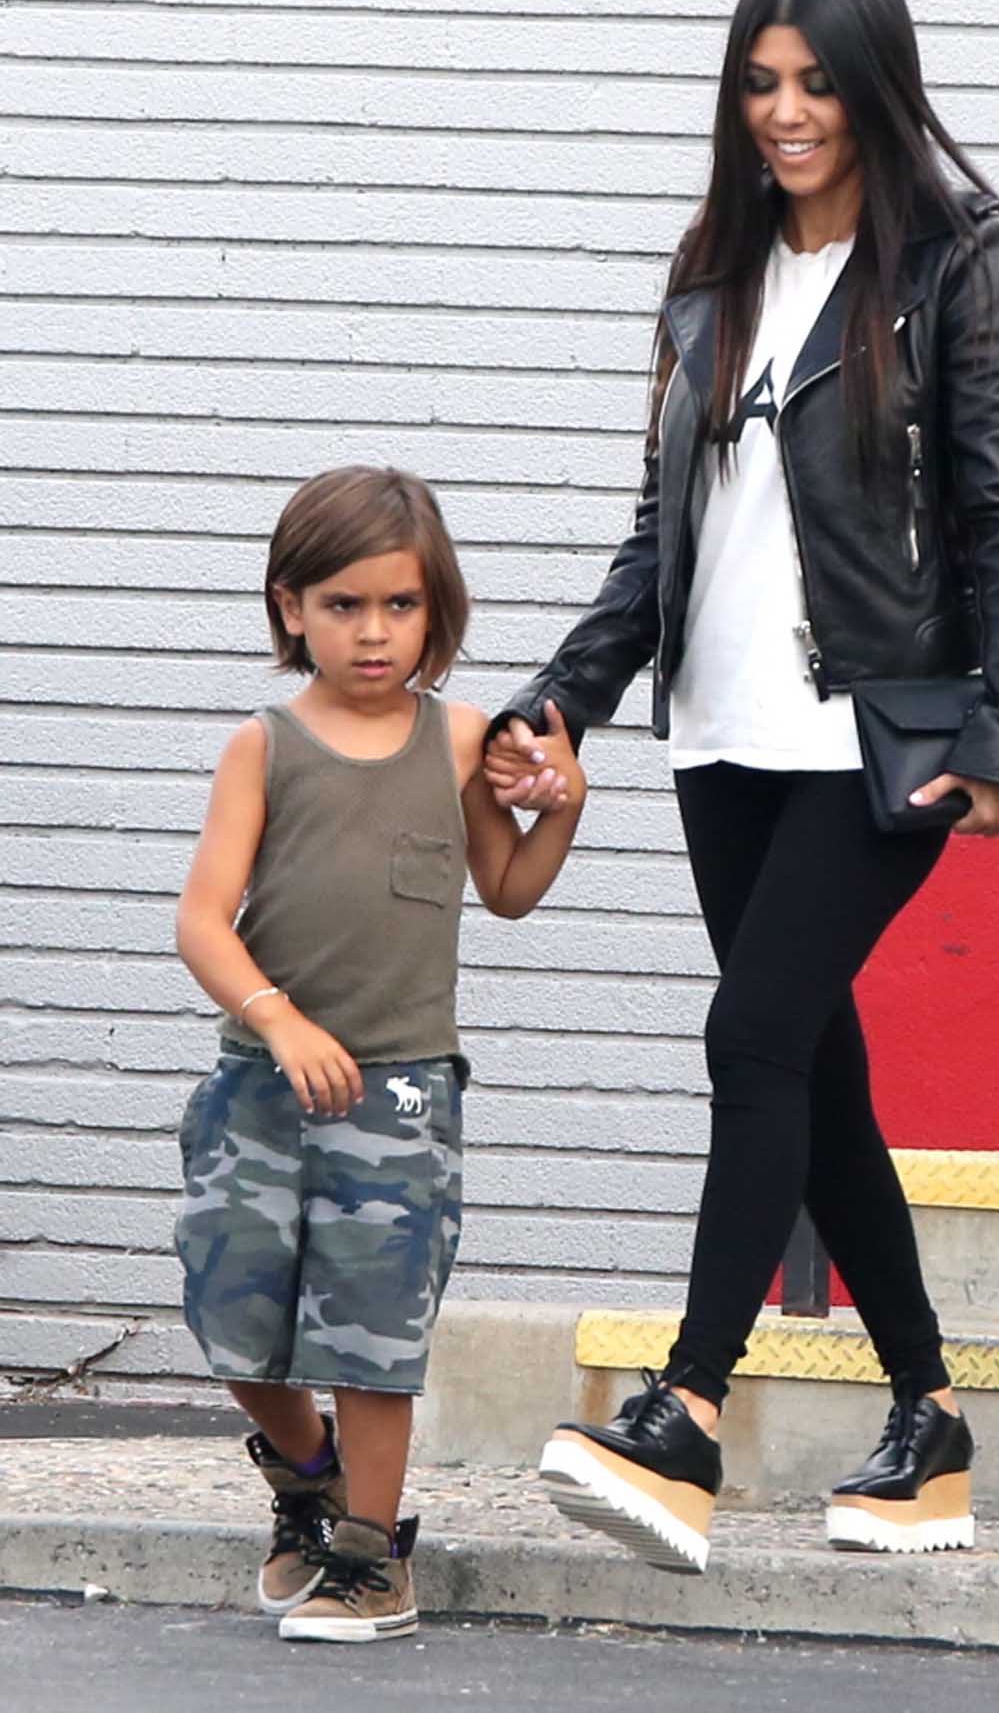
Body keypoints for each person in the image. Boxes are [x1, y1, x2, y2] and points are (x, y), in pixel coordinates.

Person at [483, 0, 999, 1571]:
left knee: (752, 1031)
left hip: (879, 734)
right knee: (818, 1069)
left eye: (815, 80)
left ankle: (689, 1410)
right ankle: (928, 1422)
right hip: (725, 734)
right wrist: (566, 697)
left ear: (874, 83)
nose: (786, 111)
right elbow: (657, 542)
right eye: (761, 81)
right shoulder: (712, 274)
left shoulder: (958, 262)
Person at [173, 466, 585, 1643]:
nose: (371, 633)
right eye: (343, 605)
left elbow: (505, 890)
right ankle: (306, 1478)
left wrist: (560, 807)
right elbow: (203, 919)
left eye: (399, 607)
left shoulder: (461, 742)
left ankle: (370, 1553)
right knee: (230, 1311)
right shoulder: (265, 745)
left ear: (435, 612)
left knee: (372, 1333)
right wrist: (279, 1017)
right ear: (290, 606)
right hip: (264, 1081)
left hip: (402, 1093)